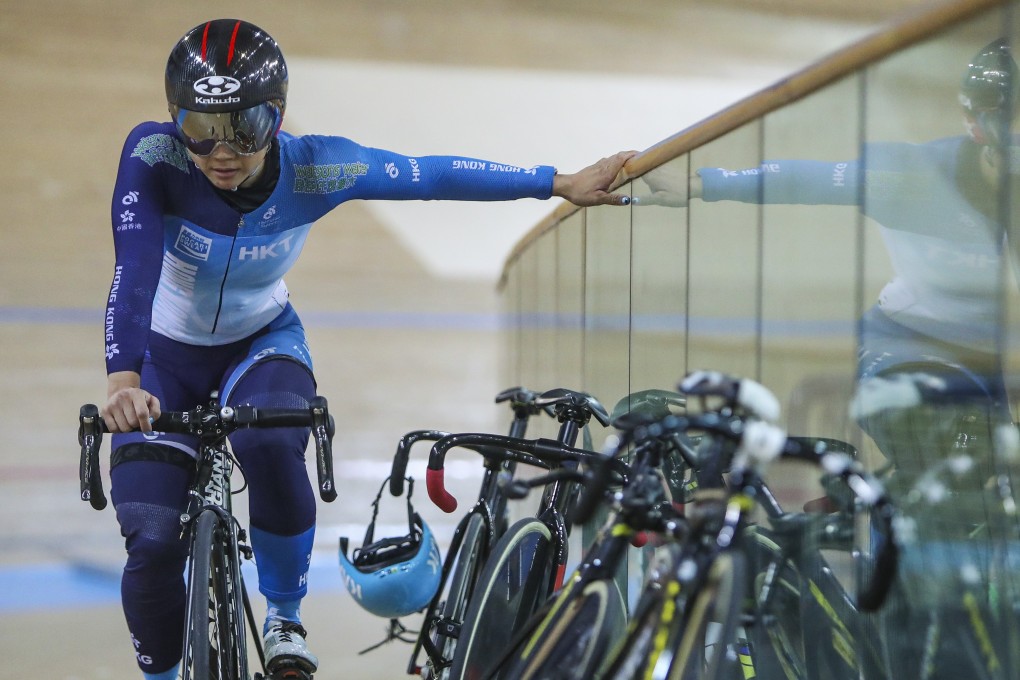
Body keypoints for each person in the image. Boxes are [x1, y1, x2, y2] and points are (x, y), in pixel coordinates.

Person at [99, 18, 635, 680]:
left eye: (247, 128)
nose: (223, 152)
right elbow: (134, 269)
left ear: (281, 117)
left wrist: (558, 181)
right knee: (151, 538)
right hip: (161, 355)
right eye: (201, 129)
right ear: (173, 118)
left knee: (271, 444)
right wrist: (124, 380)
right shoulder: (155, 156)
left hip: (261, 340)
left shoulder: (320, 166)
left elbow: (430, 175)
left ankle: (285, 616)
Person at [640, 39, 1019, 679]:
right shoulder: (918, 177)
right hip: (902, 351)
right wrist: (699, 185)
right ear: (979, 125)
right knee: (947, 474)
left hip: (983, 373)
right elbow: (804, 180)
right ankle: (898, 633)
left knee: (984, 505)